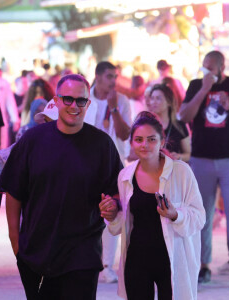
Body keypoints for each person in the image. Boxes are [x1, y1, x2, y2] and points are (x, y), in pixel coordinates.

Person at [0, 74, 122, 299]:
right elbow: (13, 191)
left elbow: (116, 192)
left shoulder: (102, 145)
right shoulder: (32, 141)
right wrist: (16, 242)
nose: (74, 106)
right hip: (36, 254)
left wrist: (113, 206)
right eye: (68, 99)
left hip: (82, 254)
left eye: (80, 101)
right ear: (55, 101)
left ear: (88, 103)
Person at [100, 111, 205, 300]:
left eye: (151, 139)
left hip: (173, 258)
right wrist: (112, 214)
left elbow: (199, 217)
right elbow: (122, 222)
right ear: (131, 143)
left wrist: (175, 215)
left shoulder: (181, 172)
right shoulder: (126, 175)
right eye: (139, 140)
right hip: (137, 257)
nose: (145, 145)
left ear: (162, 141)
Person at [179, 50, 229, 287]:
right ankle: (203, 266)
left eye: (210, 67)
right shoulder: (196, 85)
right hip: (202, 158)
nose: (207, 71)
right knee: (202, 213)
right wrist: (204, 89)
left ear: (222, 68)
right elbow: (184, 115)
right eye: (204, 66)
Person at [85, 61, 131, 283]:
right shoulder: (85, 99)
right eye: (110, 76)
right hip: (85, 164)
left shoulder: (122, 101)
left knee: (113, 212)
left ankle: (107, 265)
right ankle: (88, 260)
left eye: (115, 76)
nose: (114, 81)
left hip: (114, 165)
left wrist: (113, 108)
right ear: (98, 76)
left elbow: (124, 135)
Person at [147, 84, 191, 162]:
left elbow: (188, 154)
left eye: (158, 98)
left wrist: (179, 156)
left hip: (173, 170)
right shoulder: (146, 125)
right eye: (152, 98)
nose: (154, 102)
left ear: (169, 102)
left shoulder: (179, 125)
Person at [0, 59, 20, 148]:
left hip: (0, 120)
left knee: (0, 148)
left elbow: (10, 102)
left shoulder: (3, 83)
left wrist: (15, 120)